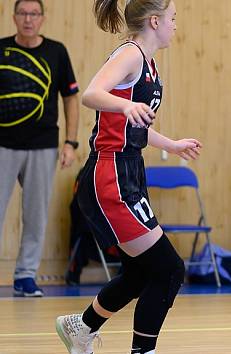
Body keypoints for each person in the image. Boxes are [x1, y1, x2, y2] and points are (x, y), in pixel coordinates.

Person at [54, 1, 202, 353]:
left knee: (140, 272)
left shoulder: (148, 63)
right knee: (168, 269)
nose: (175, 26)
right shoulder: (131, 54)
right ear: (155, 21)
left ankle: (81, 327)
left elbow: (133, 125)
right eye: (173, 19)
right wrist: (124, 105)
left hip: (129, 170)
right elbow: (91, 93)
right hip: (110, 175)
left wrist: (173, 144)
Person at [0, 0, 80, 297]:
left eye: (34, 14)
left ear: (42, 19)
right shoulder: (1, 48)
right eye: (23, 13)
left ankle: (25, 276)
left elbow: (71, 98)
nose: (28, 19)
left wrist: (70, 143)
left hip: (43, 145)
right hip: (3, 144)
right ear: (14, 17)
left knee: (35, 214)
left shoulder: (56, 52)